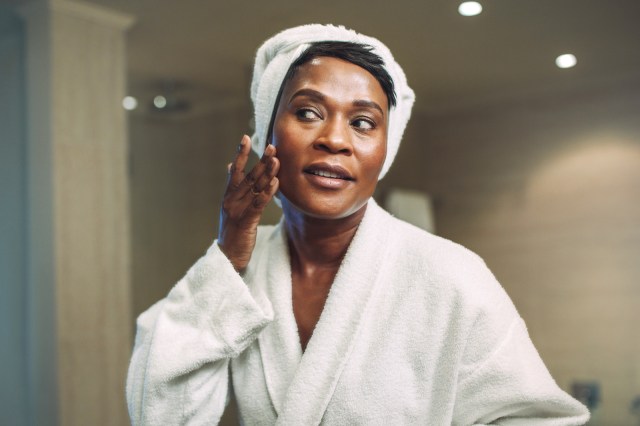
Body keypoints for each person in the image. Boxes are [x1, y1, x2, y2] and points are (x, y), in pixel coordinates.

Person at [126, 24, 590, 425]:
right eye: (307, 113)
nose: (334, 139)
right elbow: (161, 413)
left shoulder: (450, 276)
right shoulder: (237, 276)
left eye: (364, 122)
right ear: (270, 130)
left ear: (383, 151)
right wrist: (228, 255)